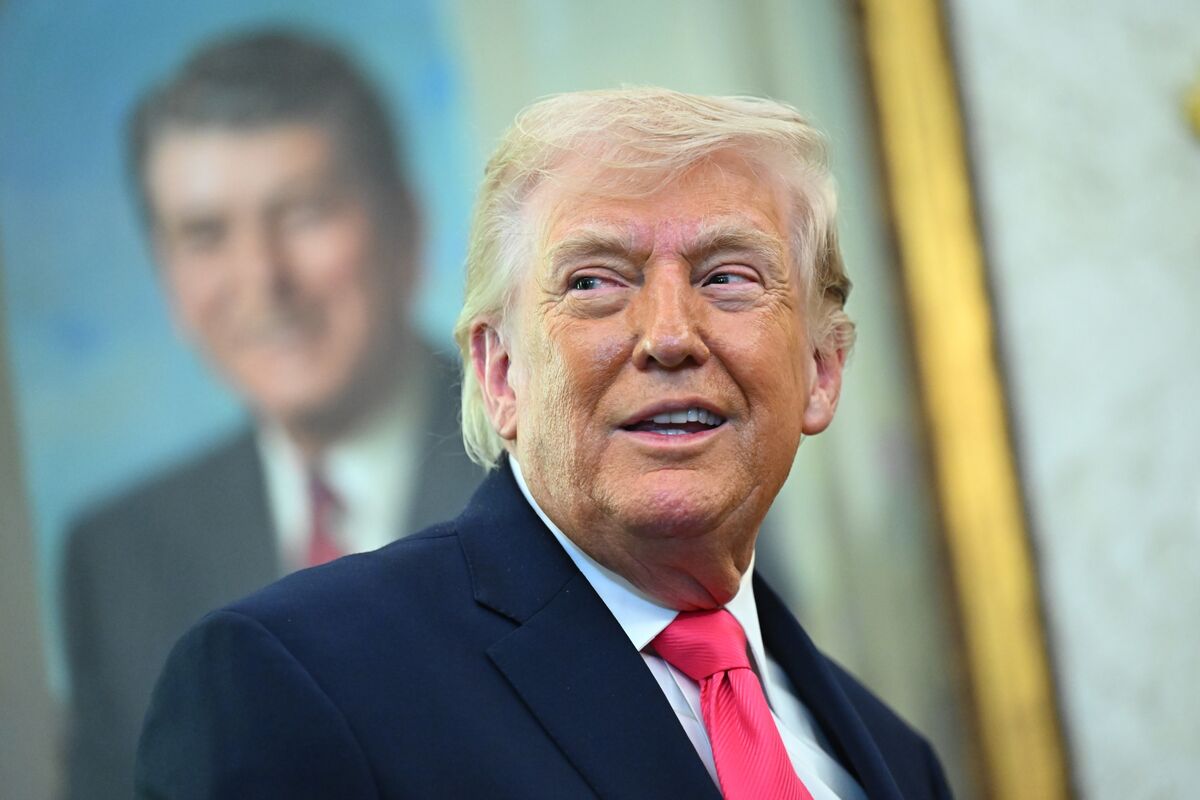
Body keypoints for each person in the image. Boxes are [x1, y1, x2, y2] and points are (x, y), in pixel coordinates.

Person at [135, 87, 953, 799]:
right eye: (594, 282)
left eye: (727, 277)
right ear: (499, 373)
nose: (670, 336)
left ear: (822, 369)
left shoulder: (897, 762)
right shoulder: (292, 679)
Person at [60, 31, 481, 799]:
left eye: (304, 213)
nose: (261, 280)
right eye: (205, 235)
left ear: (407, 227)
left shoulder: (555, 474)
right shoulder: (116, 559)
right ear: (165, 273)